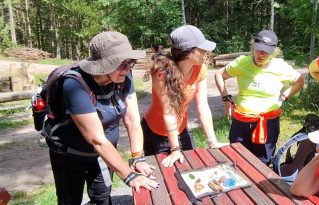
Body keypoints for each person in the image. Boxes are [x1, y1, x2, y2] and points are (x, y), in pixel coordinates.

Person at [43, 31, 159, 205]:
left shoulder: (124, 75)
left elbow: (132, 119)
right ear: (104, 65)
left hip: (103, 155)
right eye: (122, 63)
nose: (128, 68)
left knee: (102, 199)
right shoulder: (74, 84)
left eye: (130, 62)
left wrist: (137, 157)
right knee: (69, 201)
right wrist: (130, 176)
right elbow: (97, 140)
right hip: (69, 156)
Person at [142, 25, 227, 167]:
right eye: (202, 49)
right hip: (155, 133)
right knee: (164, 176)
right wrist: (175, 149)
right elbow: (169, 112)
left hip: (181, 129)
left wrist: (212, 142)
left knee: (191, 167)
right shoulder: (162, 72)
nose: (206, 52)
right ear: (188, 52)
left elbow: (203, 106)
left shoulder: (201, 69)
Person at [214, 30, 304, 165]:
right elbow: (219, 75)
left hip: (267, 122)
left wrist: (283, 97)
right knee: (237, 158)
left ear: (274, 52)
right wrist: (226, 99)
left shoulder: (279, 66)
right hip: (241, 122)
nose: (261, 54)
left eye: (266, 51)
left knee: (263, 161)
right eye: (258, 49)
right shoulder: (242, 62)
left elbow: (299, 81)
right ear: (253, 47)